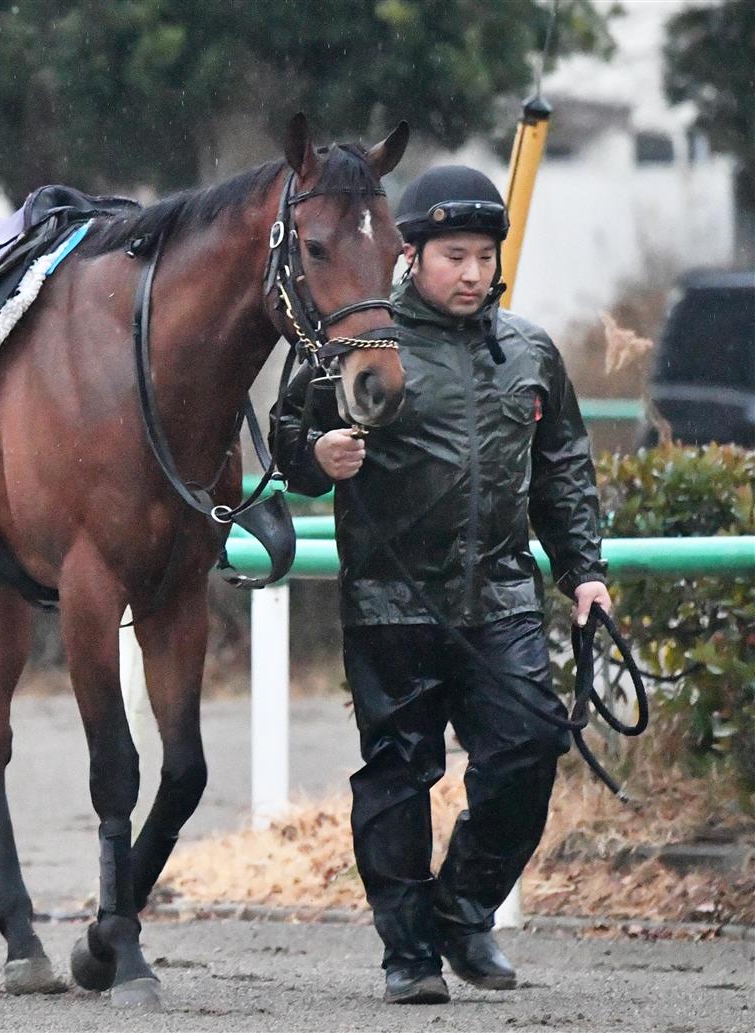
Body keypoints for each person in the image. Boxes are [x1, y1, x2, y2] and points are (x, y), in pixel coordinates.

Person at [271, 165, 610, 1005]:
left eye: (484, 256)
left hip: (501, 599)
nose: (472, 272)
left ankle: (461, 910)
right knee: (398, 773)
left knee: (531, 746)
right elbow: (287, 438)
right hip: (391, 603)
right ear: (411, 256)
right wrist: (318, 457)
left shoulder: (528, 350)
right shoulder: (358, 341)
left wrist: (586, 572)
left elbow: (563, 467)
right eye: (454, 254)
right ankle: (409, 953)